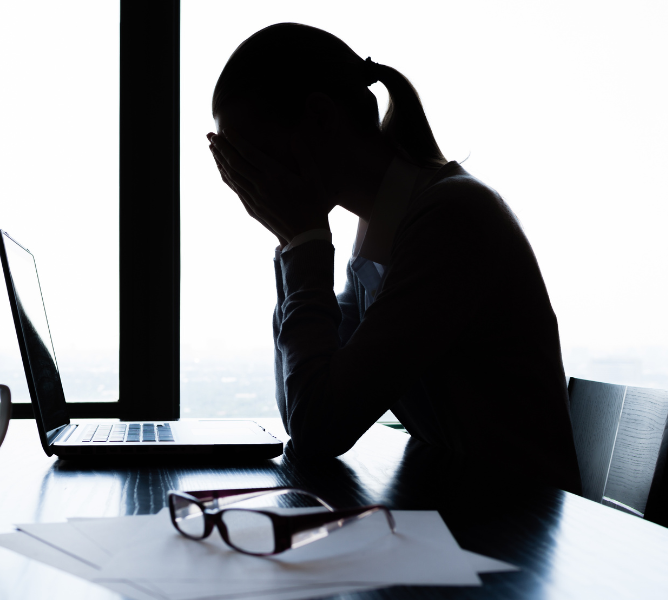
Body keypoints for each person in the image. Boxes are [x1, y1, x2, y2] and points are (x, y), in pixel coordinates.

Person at [207, 23, 582, 495]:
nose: (249, 181)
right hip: (470, 506)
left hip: (518, 518)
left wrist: (303, 243)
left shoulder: (451, 217)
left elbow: (319, 427)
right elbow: (305, 408)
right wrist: (292, 244)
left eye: (251, 157)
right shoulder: (385, 225)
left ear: (320, 117)